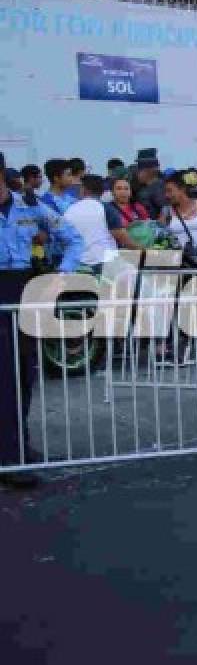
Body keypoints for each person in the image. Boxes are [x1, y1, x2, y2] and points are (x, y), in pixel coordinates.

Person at [0, 167, 83, 489]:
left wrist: (60, 276)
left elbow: (72, 239)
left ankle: (19, 443)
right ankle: (8, 457)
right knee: (5, 377)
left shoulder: (31, 206)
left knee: (24, 373)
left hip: (26, 287)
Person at [63, 174, 142, 272]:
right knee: (134, 276)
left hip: (78, 263)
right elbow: (122, 237)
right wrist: (143, 250)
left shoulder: (69, 210)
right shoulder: (106, 209)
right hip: (106, 262)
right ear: (103, 192)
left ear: (83, 190)